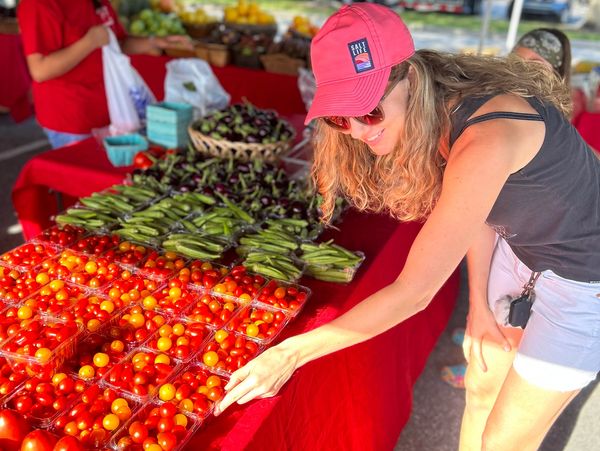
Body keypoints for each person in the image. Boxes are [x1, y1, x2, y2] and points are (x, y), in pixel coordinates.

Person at [215, 4, 600, 451]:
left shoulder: (484, 136)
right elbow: (477, 213)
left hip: (584, 283)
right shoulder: (437, 111)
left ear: (411, 79)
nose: (357, 131)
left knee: (503, 442)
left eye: (371, 111)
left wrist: (290, 352)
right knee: (480, 389)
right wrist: (477, 305)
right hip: (522, 255)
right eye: (341, 117)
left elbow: (414, 293)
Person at [440, 27, 576, 390]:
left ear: (556, 74)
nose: (522, 68)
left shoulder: (555, 121)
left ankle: (490, 359)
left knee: (515, 321)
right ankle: (482, 340)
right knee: (488, 301)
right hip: (505, 238)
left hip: (540, 255)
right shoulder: (497, 104)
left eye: (536, 63)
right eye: (518, 58)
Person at [17, 0, 191, 149]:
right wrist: (89, 42)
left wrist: (155, 42)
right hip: (72, 119)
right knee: (84, 183)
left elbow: (117, 42)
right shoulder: (39, 4)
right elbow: (40, 70)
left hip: (110, 113)